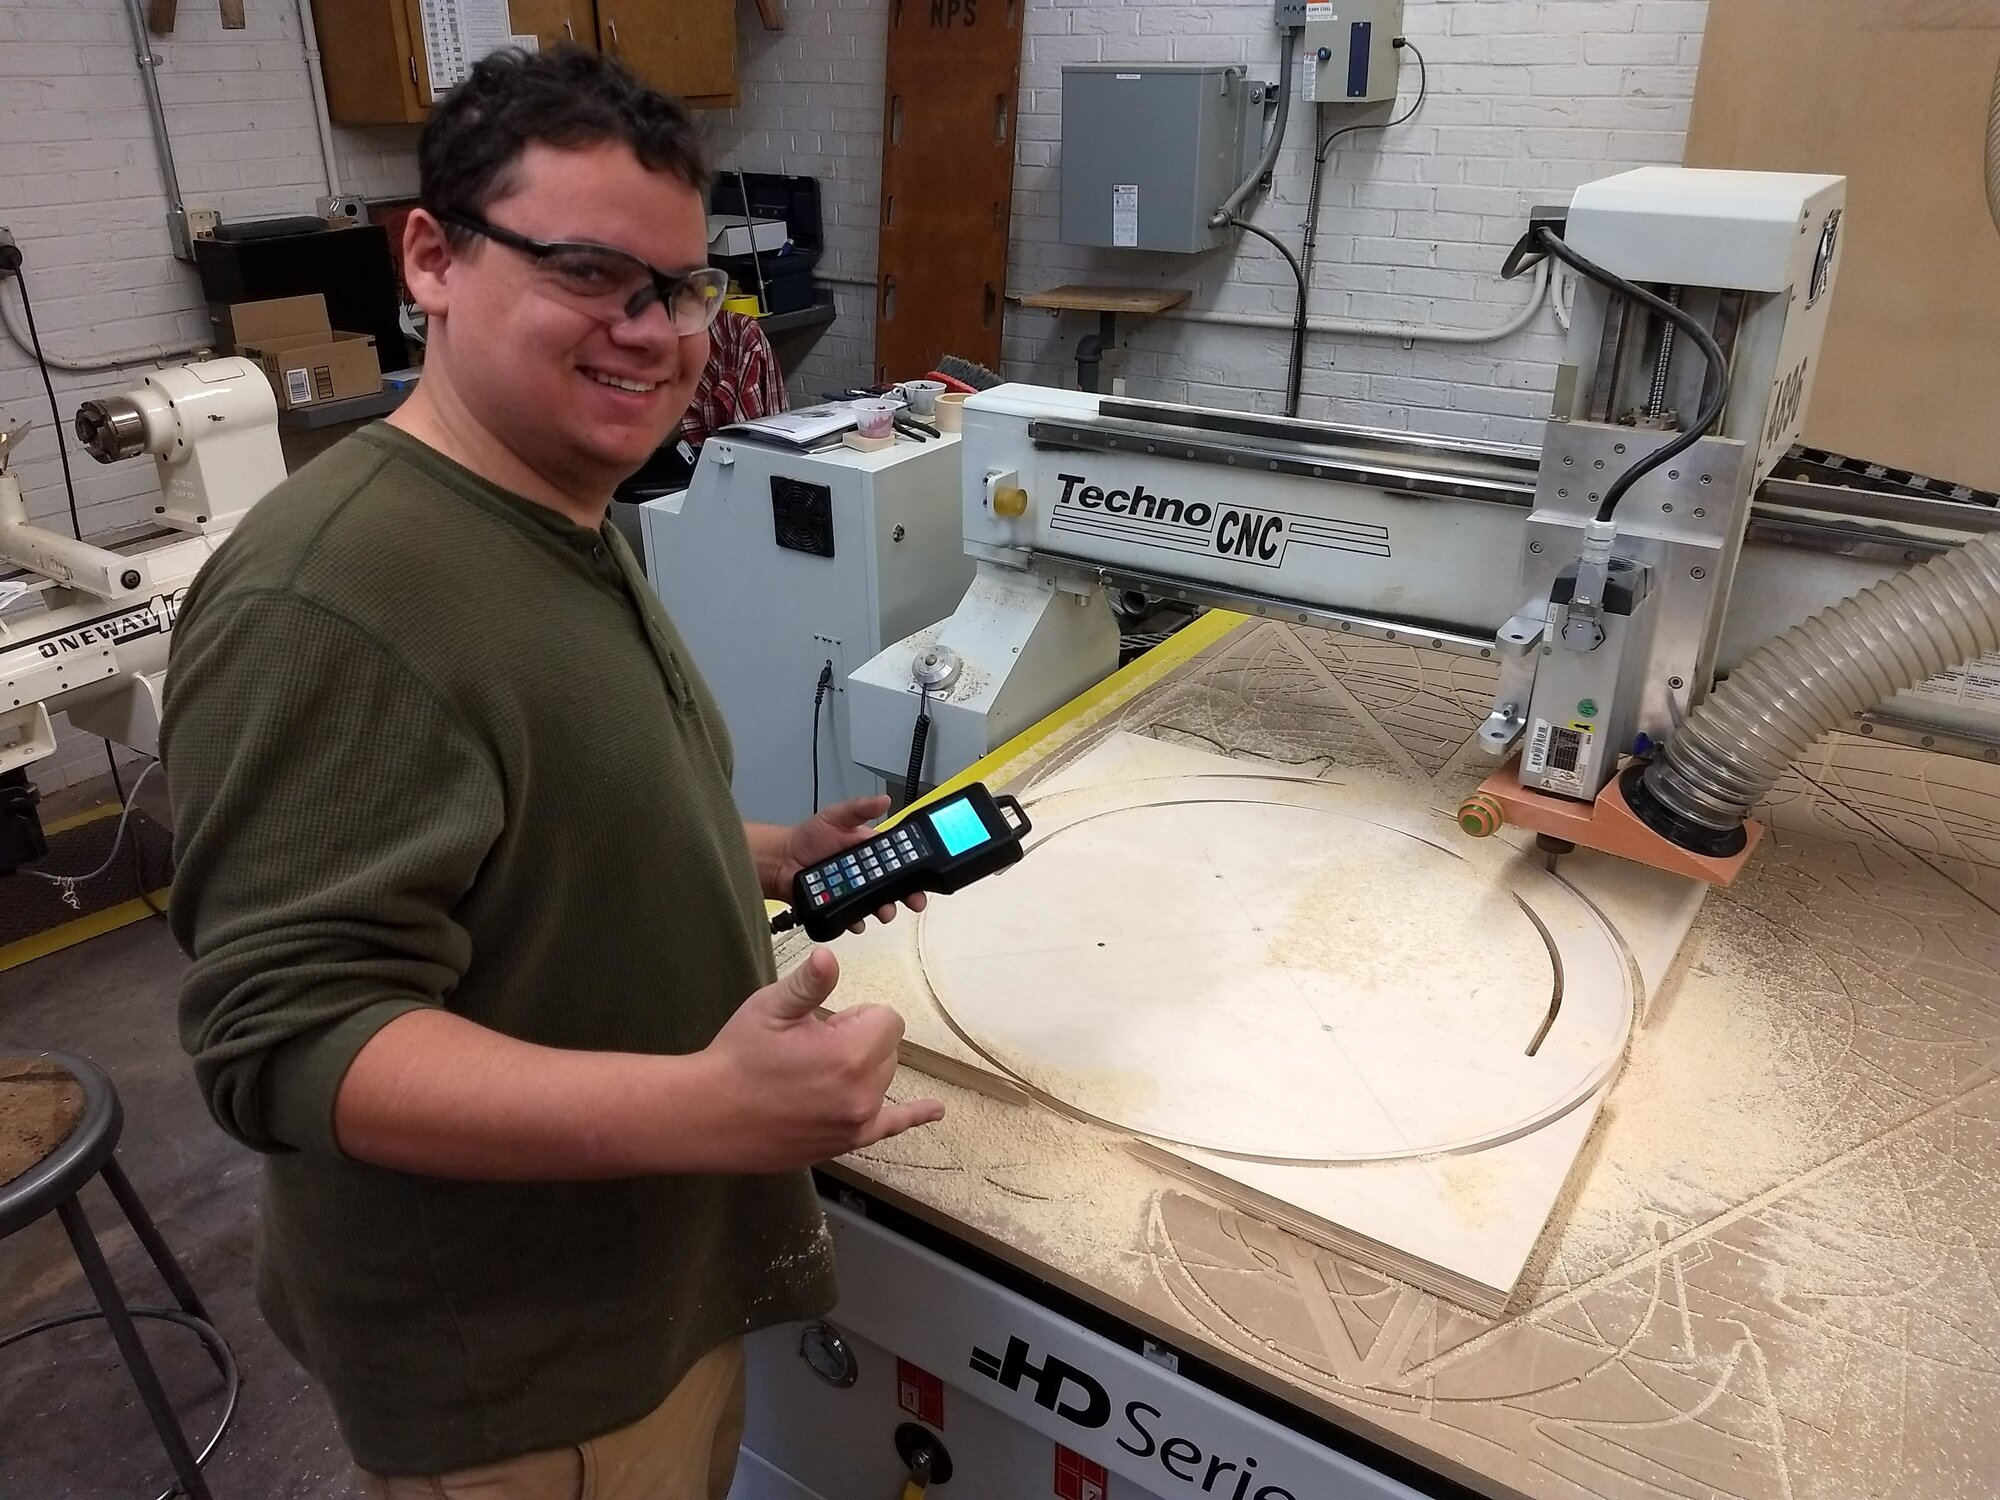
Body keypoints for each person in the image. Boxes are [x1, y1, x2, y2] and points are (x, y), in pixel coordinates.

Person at [162, 47, 942, 1500]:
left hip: (641, 1297)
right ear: (433, 259)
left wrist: (750, 847)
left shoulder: (552, 508)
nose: (652, 331)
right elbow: (291, 1041)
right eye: (590, 272)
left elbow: (525, 801)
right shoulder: (334, 597)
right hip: (528, 1375)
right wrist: (710, 1112)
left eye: (684, 287)